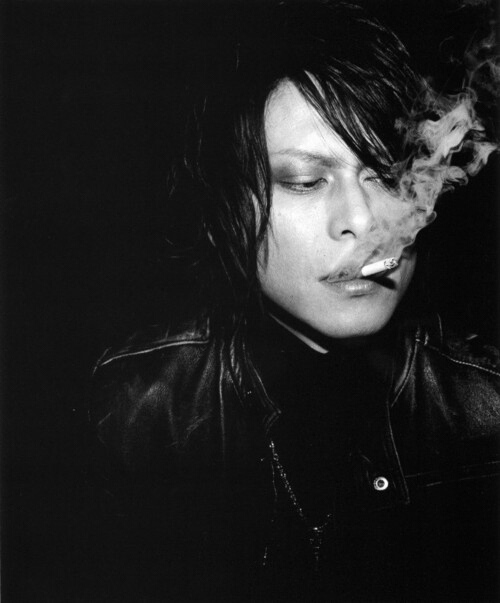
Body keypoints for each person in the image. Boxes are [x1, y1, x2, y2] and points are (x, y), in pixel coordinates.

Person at [88, 2, 500, 601]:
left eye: (388, 175)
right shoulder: (138, 410)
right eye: (305, 181)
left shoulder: (487, 406)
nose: (363, 221)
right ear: (226, 209)